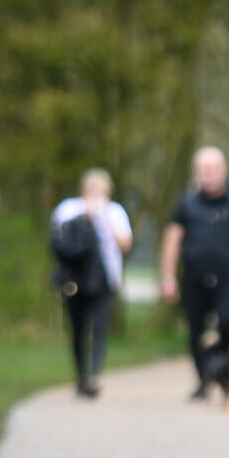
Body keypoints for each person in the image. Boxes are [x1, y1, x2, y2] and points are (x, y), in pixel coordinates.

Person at [160, 147, 229, 401]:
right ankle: (203, 380)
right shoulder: (186, 203)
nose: (206, 174)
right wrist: (167, 276)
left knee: (228, 322)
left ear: (223, 171)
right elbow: (172, 238)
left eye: (211, 169)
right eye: (201, 170)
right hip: (193, 277)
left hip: (226, 277)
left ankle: (225, 371)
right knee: (195, 330)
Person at [48, 168, 133, 398]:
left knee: (99, 326)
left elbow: (126, 244)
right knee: (78, 328)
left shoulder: (114, 212)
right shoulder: (68, 209)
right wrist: (85, 216)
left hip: (105, 278)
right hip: (75, 279)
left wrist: (104, 218)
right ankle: (81, 375)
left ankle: (94, 375)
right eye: (93, 190)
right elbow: (58, 240)